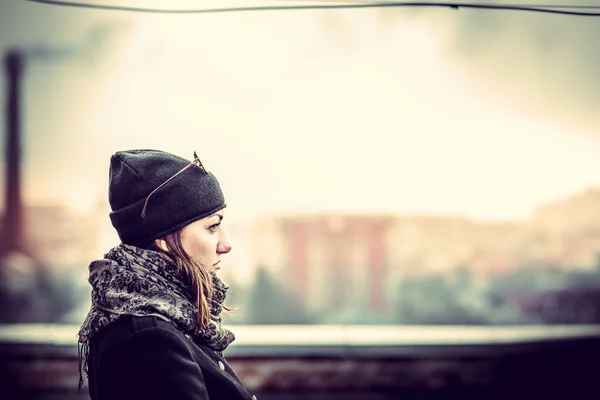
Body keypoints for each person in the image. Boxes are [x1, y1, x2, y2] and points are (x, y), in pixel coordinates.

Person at [77, 149, 256, 400]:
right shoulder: (152, 338)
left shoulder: (156, 315)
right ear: (162, 238)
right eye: (212, 226)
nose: (226, 244)